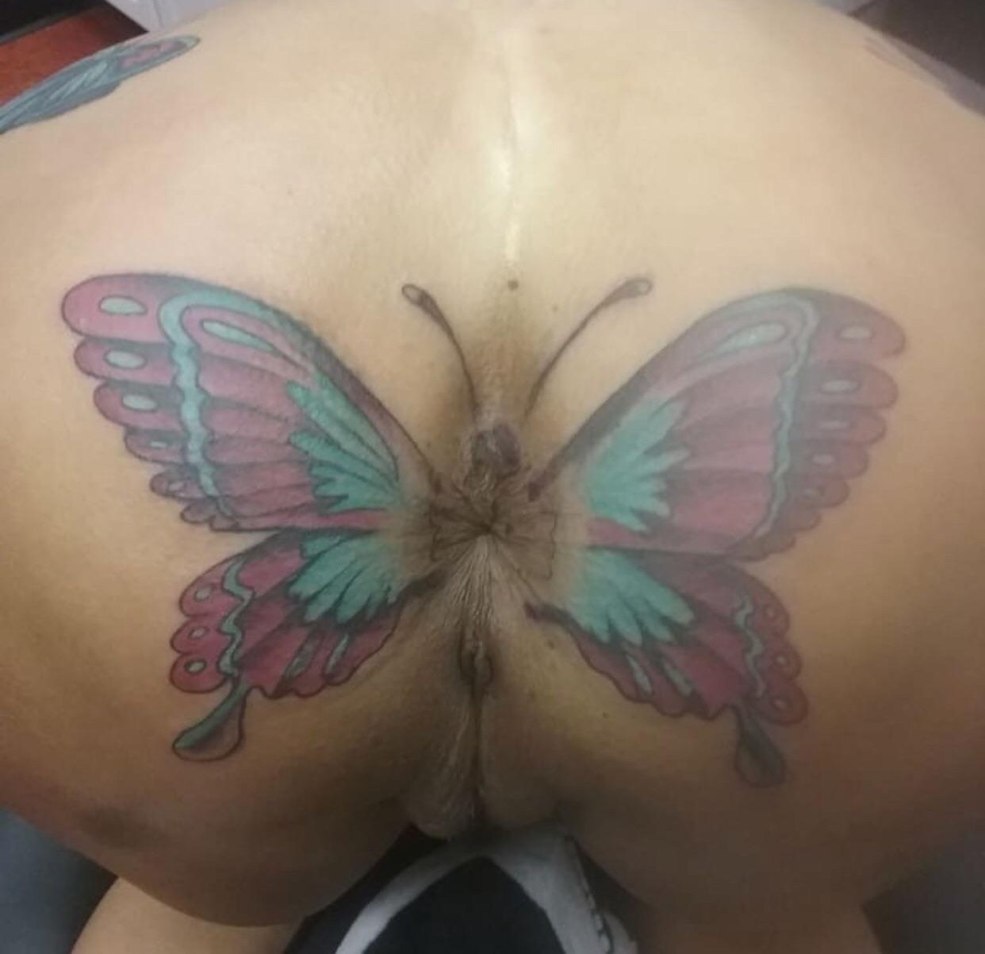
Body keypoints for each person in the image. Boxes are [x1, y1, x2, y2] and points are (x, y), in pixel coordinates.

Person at [1, 0, 985, 950]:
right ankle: (748, 899)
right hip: (914, 350)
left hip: (79, 377)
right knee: (764, 900)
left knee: (201, 896)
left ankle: (220, 880)